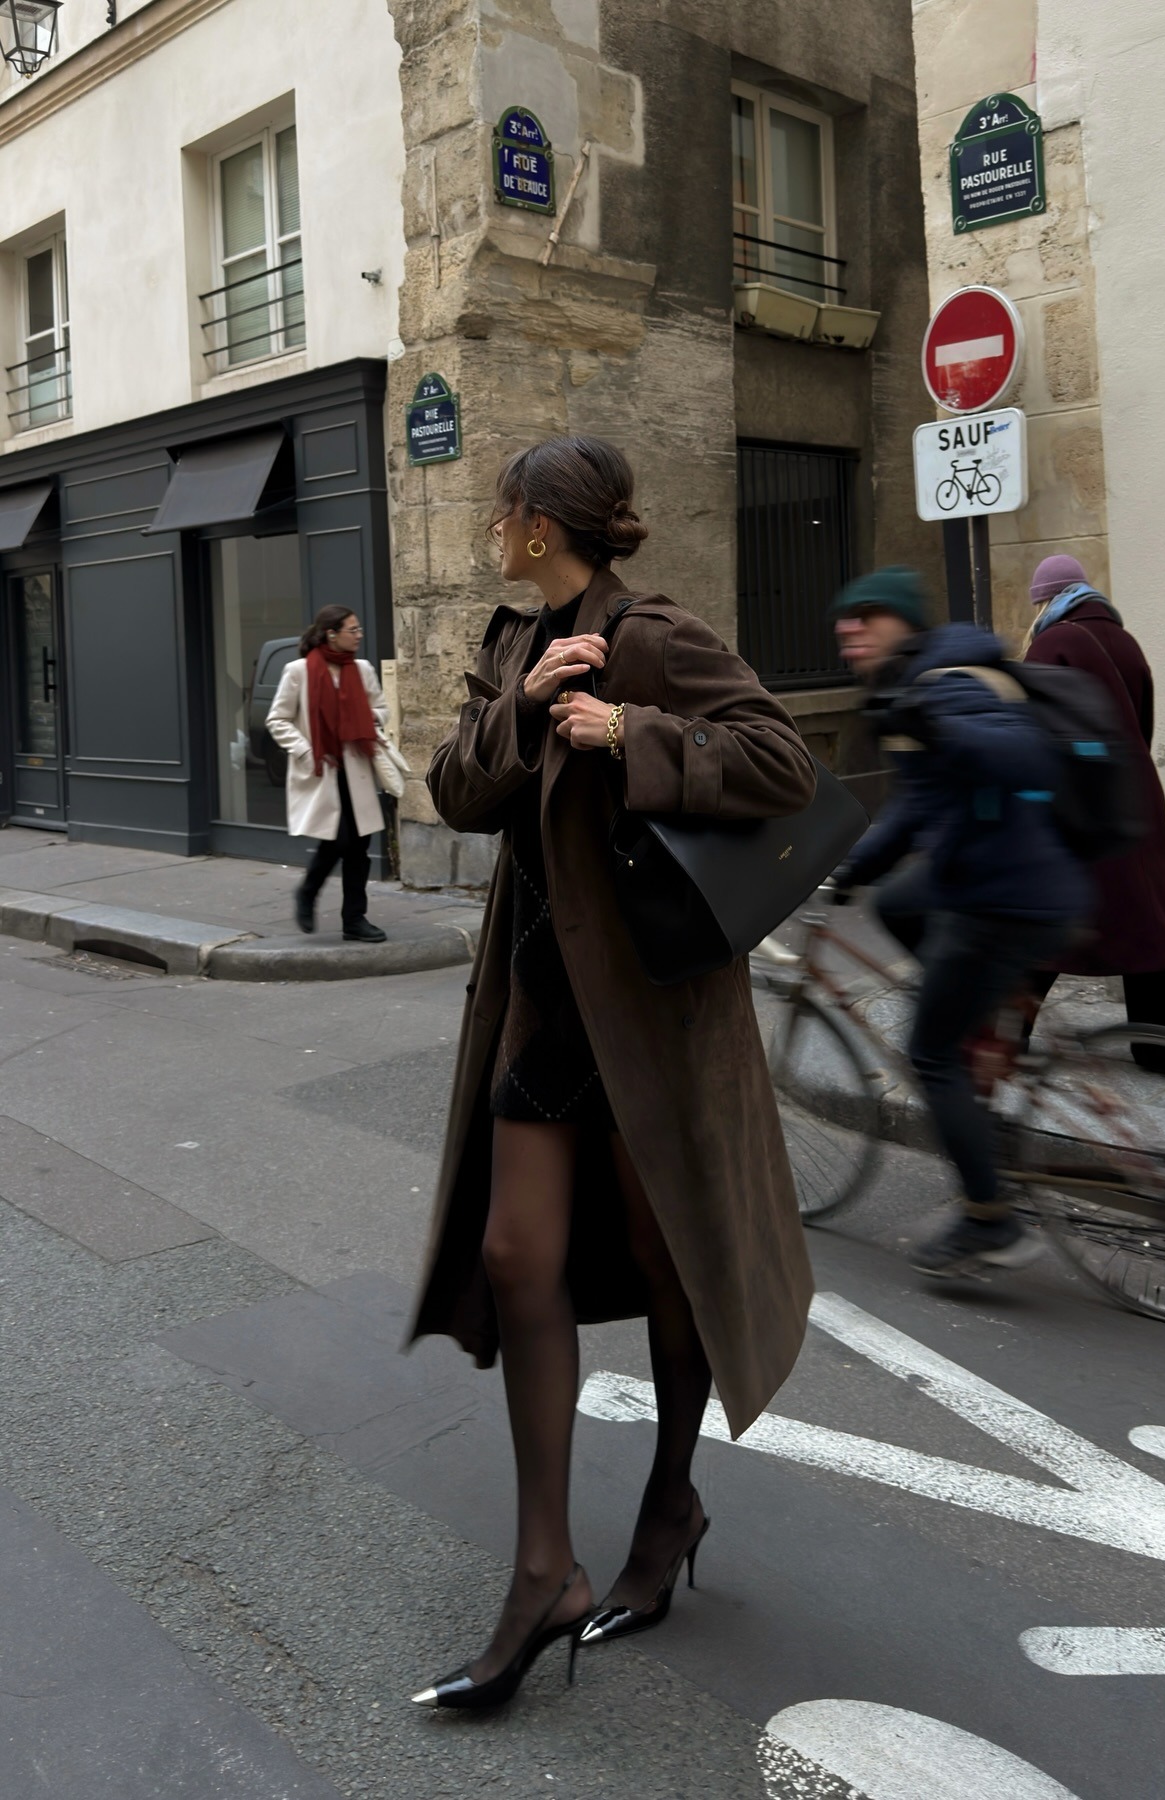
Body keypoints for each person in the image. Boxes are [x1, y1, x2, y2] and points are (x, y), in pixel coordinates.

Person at [407, 435, 816, 1711]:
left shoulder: (653, 635)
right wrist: (527, 706)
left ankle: (667, 1509)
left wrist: (627, 726)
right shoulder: (515, 645)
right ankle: (545, 1573)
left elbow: (783, 762)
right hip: (541, 1017)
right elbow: (455, 793)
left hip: (645, 1019)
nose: (490, 525)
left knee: (670, 1265)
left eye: (501, 509)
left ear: (539, 523)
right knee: (515, 1259)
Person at [828, 566, 1090, 1278]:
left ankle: (990, 1223)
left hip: (1005, 899)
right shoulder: (910, 686)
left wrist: (934, 722)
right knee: (892, 904)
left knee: (930, 1054)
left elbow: (1018, 755)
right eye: (845, 619)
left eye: (869, 615)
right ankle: (973, 1008)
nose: (850, 629)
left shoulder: (952, 680)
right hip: (979, 882)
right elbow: (917, 805)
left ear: (905, 623)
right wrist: (855, 870)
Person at [1022, 554, 1165, 1078]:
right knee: (1147, 927)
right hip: (1137, 800)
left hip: (1079, 808)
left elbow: (1035, 735)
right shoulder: (1126, 642)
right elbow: (1141, 726)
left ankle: (995, 1035)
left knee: (1043, 919)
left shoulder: (1053, 643)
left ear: (1047, 600)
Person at [266, 606, 388, 944]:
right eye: (352, 629)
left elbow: (382, 709)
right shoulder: (299, 671)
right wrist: (307, 750)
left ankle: (354, 919)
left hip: (356, 766)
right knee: (339, 839)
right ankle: (307, 892)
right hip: (322, 768)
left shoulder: (362, 670)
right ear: (331, 633)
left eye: (359, 628)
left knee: (359, 845)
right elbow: (278, 719)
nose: (359, 634)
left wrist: (366, 720)